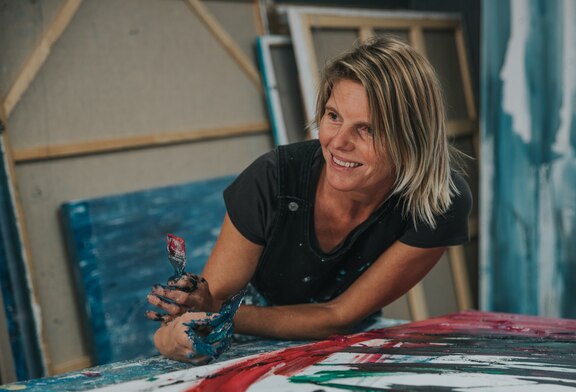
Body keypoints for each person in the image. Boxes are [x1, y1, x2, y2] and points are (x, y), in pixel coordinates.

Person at [146, 35, 472, 363]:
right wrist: (178, 331)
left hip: (347, 349)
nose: (337, 142)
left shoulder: (439, 203)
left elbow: (339, 315)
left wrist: (220, 311)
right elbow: (205, 311)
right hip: (245, 348)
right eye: (334, 116)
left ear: (412, 136)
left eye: (367, 129)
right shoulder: (273, 180)